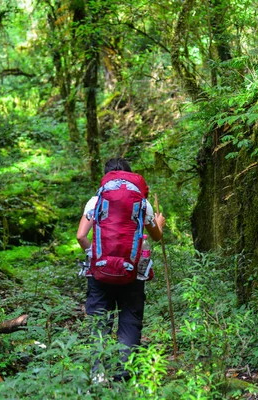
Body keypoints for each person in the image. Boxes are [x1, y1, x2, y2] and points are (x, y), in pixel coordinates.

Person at [76, 157, 165, 380]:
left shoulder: (95, 201)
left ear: (106, 177)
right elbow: (156, 236)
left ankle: (99, 376)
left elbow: (80, 236)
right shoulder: (142, 202)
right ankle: (123, 376)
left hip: (99, 272)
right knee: (130, 320)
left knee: (99, 321)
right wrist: (159, 223)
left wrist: (93, 256)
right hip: (133, 272)